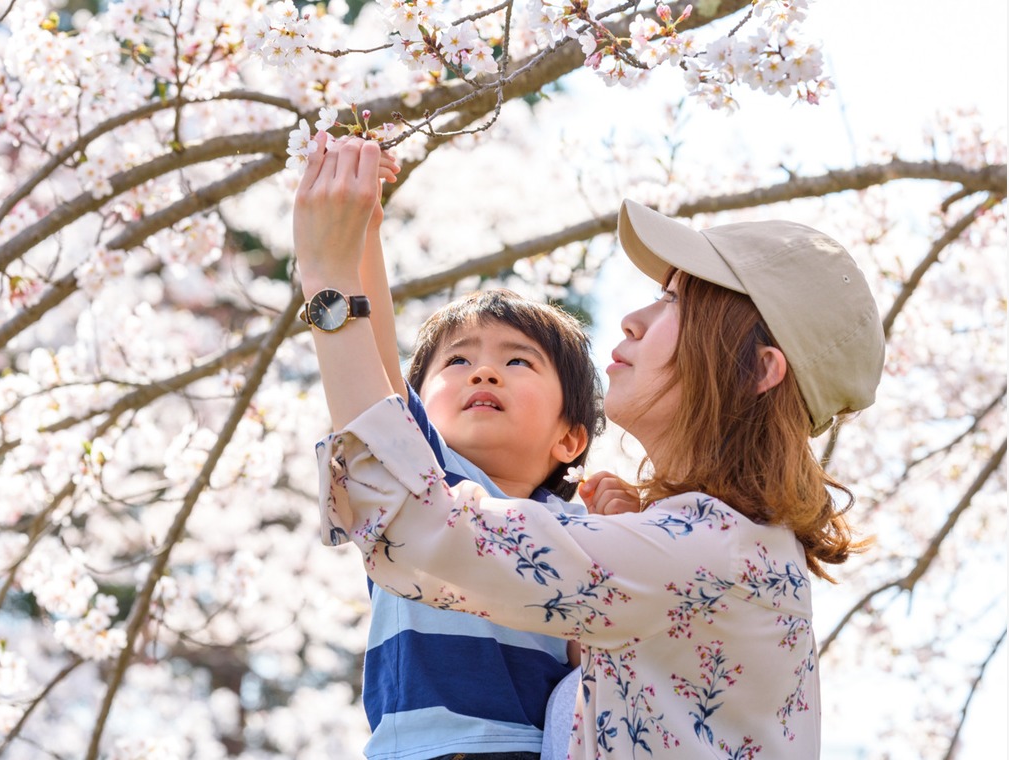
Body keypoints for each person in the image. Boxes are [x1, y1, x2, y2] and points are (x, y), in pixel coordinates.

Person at [293, 137, 885, 758]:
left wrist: (330, 283)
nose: (633, 318)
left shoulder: (704, 553)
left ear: (758, 370)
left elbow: (418, 525)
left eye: (676, 301)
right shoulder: (702, 547)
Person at [306, 136, 609, 760]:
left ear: (569, 437)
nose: (483, 373)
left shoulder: (580, 531)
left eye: (518, 360)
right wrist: (362, 230)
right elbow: (376, 358)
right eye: (459, 360)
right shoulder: (426, 483)